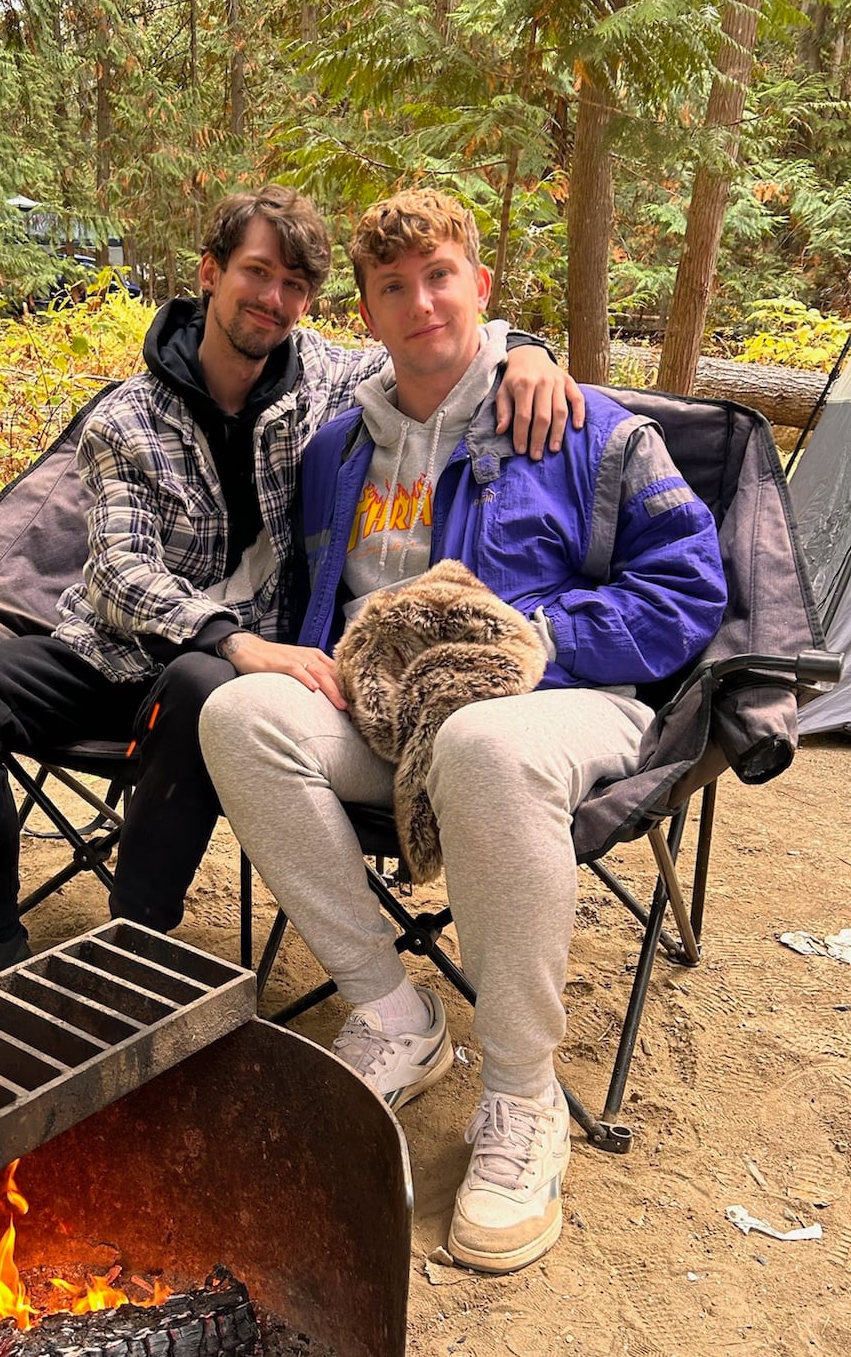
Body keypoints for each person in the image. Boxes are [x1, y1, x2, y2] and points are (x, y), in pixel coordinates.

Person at [199, 189, 728, 1274]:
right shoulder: (337, 448)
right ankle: (395, 1016)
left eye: (439, 277)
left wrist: (531, 638)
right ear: (365, 315)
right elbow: (295, 588)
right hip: (384, 706)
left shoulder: (585, 424)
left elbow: (686, 592)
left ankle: (521, 1099)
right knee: (239, 711)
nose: (419, 302)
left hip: (551, 701)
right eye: (391, 288)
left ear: (479, 290)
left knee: (481, 740)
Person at [0, 184, 578, 1001]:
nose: (274, 299)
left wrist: (531, 349)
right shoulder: (128, 418)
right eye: (257, 272)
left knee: (199, 685)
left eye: (295, 285)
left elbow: (439, 334)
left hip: (227, 685)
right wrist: (229, 635)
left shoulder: (327, 380)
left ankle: (129, 947)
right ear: (210, 272)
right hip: (115, 655)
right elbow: (120, 575)